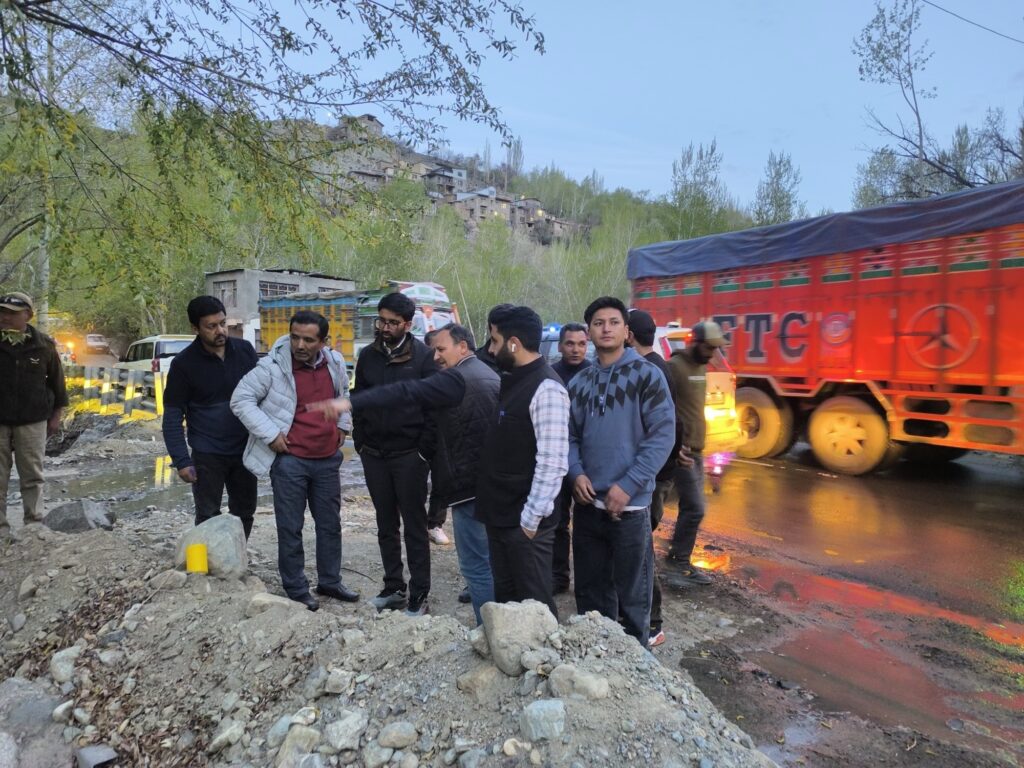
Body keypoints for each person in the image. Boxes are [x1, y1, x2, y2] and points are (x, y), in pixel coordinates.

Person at [308, 324, 500, 624]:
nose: (436, 357)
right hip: (488, 484)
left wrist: (350, 402)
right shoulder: (488, 374)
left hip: (468, 487)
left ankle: (489, 630)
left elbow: (406, 391)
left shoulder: (459, 378)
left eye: (441, 349)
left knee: (477, 566)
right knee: (488, 561)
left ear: (463, 347)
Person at [230, 310, 358, 611]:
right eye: (295, 337)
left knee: (330, 525)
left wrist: (343, 426)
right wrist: (270, 434)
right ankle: (296, 588)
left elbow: (343, 394)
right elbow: (240, 399)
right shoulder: (272, 366)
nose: (300, 345)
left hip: (327, 459)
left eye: (308, 340)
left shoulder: (335, 362)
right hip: (290, 461)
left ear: (323, 342)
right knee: (290, 527)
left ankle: (330, 580)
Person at [567, 297, 675, 647]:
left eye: (614, 322)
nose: (606, 329)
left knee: (633, 598)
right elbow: (569, 436)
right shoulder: (579, 383)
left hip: (630, 508)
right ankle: (594, 662)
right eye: (598, 323)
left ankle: (636, 664)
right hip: (587, 506)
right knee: (590, 595)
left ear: (627, 331)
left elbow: (662, 435)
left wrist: (629, 485)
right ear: (589, 331)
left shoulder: (647, 375)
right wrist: (575, 473)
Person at [476, 305, 568, 618]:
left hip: (526, 524)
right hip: (502, 516)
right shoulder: (514, 379)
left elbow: (552, 462)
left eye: (495, 341)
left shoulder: (547, 388)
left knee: (535, 607)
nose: (491, 349)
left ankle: (544, 652)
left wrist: (529, 522)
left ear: (513, 343)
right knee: (508, 603)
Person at [353, 292, 438, 617]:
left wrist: (423, 452)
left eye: (392, 323)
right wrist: (360, 440)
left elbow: (433, 408)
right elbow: (359, 398)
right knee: (385, 523)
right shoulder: (368, 356)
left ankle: (419, 593)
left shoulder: (424, 358)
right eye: (381, 321)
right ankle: (393, 588)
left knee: (415, 526)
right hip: (374, 453)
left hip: (409, 455)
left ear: (408, 324)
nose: (385, 327)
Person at [162, 296, 259, 538]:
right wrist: (182, 460)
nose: (220, 331)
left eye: (223, 323)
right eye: (211, 326)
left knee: (245, 511)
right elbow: (172, 416)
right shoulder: (183, 364)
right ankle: (212, 559)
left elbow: (264, 395)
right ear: (195, 328)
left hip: (245, 450)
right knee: (208, 515)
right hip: (207, 454)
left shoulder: (245, 351)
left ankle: (237, 555)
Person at [626, 308, 676, 648]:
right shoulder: (660, 365)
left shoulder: (650, 370)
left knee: (641, 550)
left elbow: (666, 427)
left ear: (628, 334)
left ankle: (651, 624)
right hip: (657, 474)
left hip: (651, 478)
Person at [0, 292, 67, 539]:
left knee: (32, 474)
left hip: (33, 419)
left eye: (11, 313)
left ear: (28, 315)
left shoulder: (44, 345)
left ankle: (34, 524)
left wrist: (56, 415)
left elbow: (58, 383)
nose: (4, 317)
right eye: (2, 312)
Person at [665, 320, 727, 585]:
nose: (712, 353)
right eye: (709, 347)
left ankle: (678, 560)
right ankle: (677, 564)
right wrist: (675, 445)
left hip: (699, 449)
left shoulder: (702, 367)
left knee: (689, 507)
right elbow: (663, 409)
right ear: (695, 342)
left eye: (715, 348)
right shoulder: (674, 368)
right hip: (683, 451)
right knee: (695, 508)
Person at [549, 321, 592, 594]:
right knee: (557, 523)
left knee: (588, 527)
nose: (576, 349)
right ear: (560, 346)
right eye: (570, 343)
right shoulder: (550, 375)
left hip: (587, 462)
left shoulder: (595, 374)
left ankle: (588, 582)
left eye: (581, 344)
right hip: (555, 459)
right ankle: (559, 577)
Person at [422, 328, 450, 546]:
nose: (437, 355)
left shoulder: (452, 371)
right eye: (433, 350)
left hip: (444, 435)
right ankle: (416, 521)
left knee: (442, 481)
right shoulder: (419, 370)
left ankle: (435, 524)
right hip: (420, 434)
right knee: (416, 482)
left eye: (441, 349)